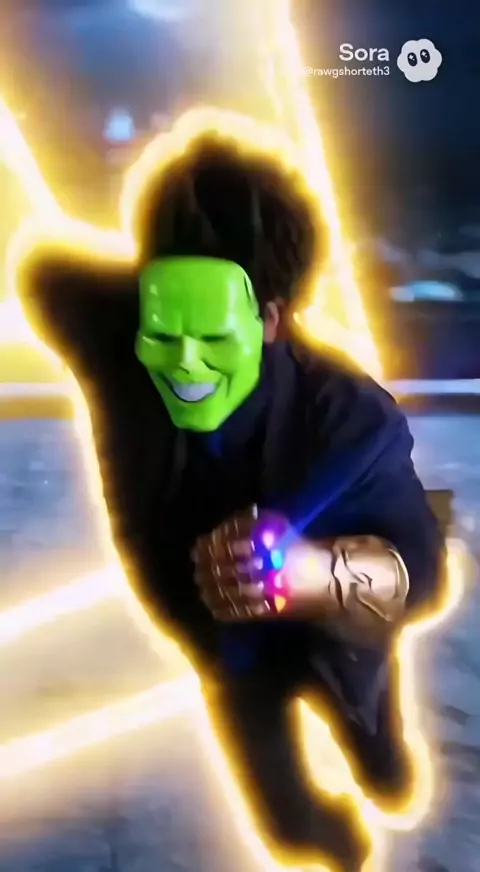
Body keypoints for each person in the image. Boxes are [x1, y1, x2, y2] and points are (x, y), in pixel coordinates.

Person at [17, 124, 444, 872]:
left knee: (370, 725)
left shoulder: (349, 421)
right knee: (293, 828)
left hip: (332, 627)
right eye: (163, 330)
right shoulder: (110, 336)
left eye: (213, 337)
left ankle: (376, 748)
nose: (184, 364)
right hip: (221, 643)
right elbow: (45, 271)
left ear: (271, 320)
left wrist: (310, 575)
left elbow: (423, 569)